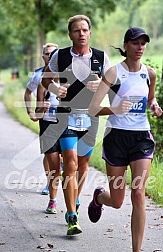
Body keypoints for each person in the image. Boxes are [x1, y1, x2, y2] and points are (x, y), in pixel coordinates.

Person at [87, 27, 162, 252]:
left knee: (138, 193)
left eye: (143, 44)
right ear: (126, 45)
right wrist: (115, 109)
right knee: (118, 201)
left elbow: (150, 98)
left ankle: (136, 250)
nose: (140, 48)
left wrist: (154, 106)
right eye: (135, 43)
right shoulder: (113, 73)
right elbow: (93, 108)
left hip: (141, 137)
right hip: (116, 138)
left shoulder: (149, 73)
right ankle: (100, 197)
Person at [41, 15, 110, 235]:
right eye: (76, 30)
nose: (81, 34)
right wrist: (54, 90)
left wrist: (101, 85)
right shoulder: (59, 56)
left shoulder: (101, 57)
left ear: (90, 33)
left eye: (84, 30)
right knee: (69, 163)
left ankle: (76, 198)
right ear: (70, 34)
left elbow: (112, 83)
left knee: (83, 163)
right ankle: (72, 216)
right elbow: (46, 80)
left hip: (90, 117)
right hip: (66, 116)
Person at [24, 43, 59, 197]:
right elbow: (27, 93)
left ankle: (55, 179)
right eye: (47, 54)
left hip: (63, 119)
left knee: (63, 154)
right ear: (43, 56)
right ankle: (48, 183)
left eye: (53, 54)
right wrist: (31, 111)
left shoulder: (64, 74)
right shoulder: (38, 75)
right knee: (49, 154)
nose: (49, 56)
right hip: (45, 119)